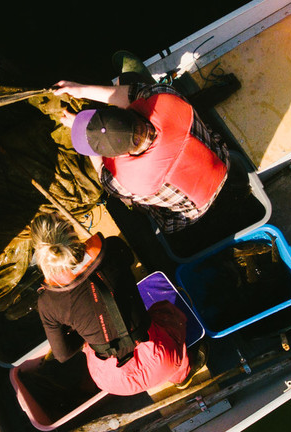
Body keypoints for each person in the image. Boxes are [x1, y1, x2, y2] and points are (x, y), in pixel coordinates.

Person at [54, 61, 232, 234]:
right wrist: (79, 89)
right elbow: (129, 93)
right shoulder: (164, 95)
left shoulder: (121, 184)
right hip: (223, 165)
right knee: (129, 78)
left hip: (191, 214)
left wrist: (82, 128)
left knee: (133, 202)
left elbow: (102, 172)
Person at [31, 213, 194, 395]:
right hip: (161, 359)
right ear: (71, 233)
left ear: (41, 256)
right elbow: (129, 260)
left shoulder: (47, 302)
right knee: (163, 309)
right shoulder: (112, 247)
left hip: (115, 382)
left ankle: (174, 372)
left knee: (89, 347)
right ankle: (182, 377)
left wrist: (84, 331)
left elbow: (62, 355)